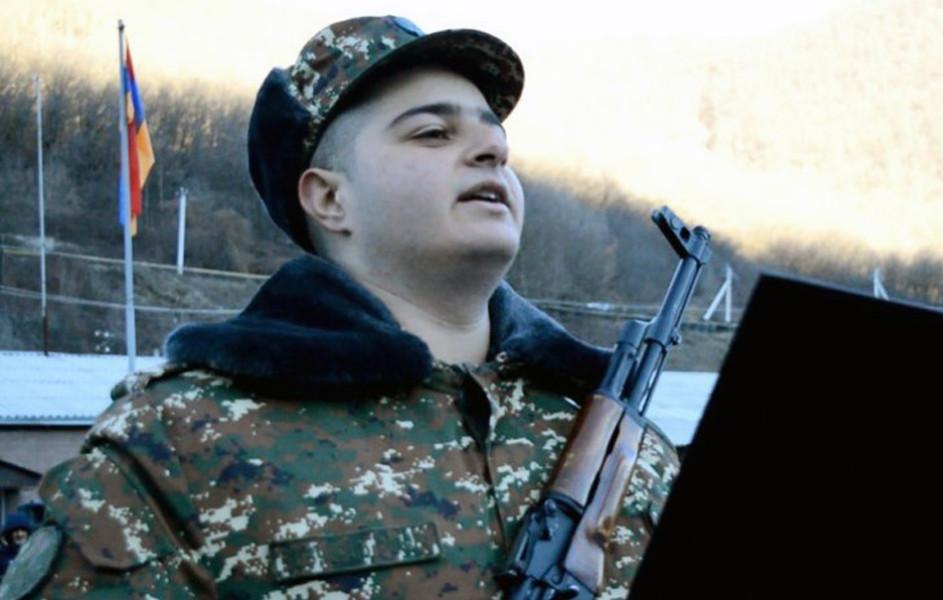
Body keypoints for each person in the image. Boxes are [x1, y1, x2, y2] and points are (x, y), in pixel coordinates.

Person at [0, 16, 680, 599]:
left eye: (495, 134)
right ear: (329, 197)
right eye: (432, 133)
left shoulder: (622, 444)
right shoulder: (177, 442)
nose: (493, 149)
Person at [0, 514, 32, 581]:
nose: (20, 534)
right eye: (15, 531)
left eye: (23, 530)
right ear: (9, 534)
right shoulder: (2, 556)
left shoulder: (35, 552)